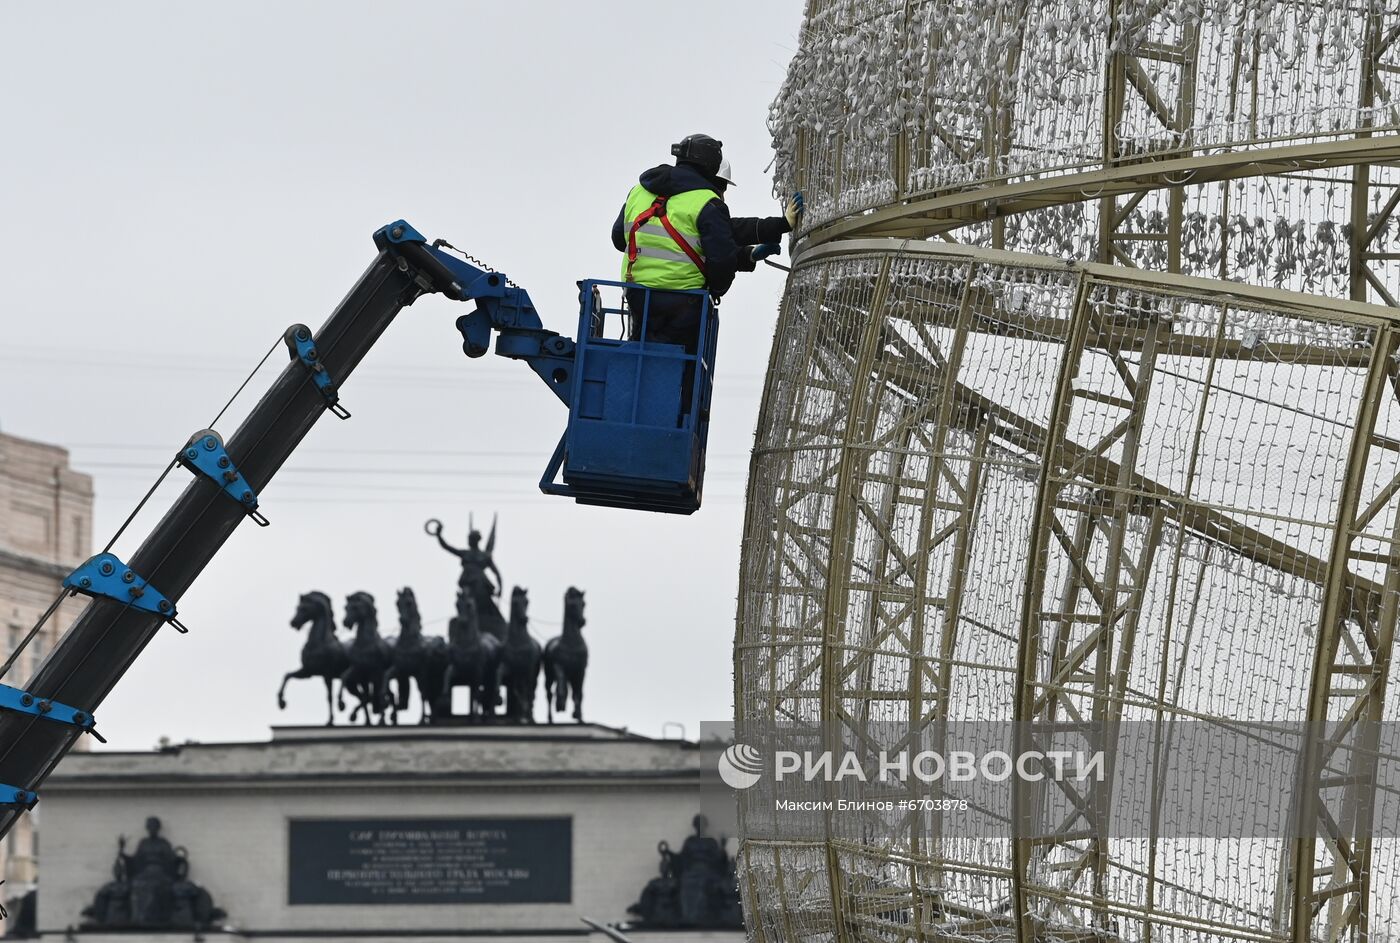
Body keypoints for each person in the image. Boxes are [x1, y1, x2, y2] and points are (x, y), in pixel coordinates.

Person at [611, 133, 803, 352]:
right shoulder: (706, 202)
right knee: (681, 370)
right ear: (711, 169)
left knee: (642, 356)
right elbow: (721, 259)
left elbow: (619, 239)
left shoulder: (639, 192)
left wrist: (755, 247)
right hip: (683, 302)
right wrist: (717, 289)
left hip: (638, 297)